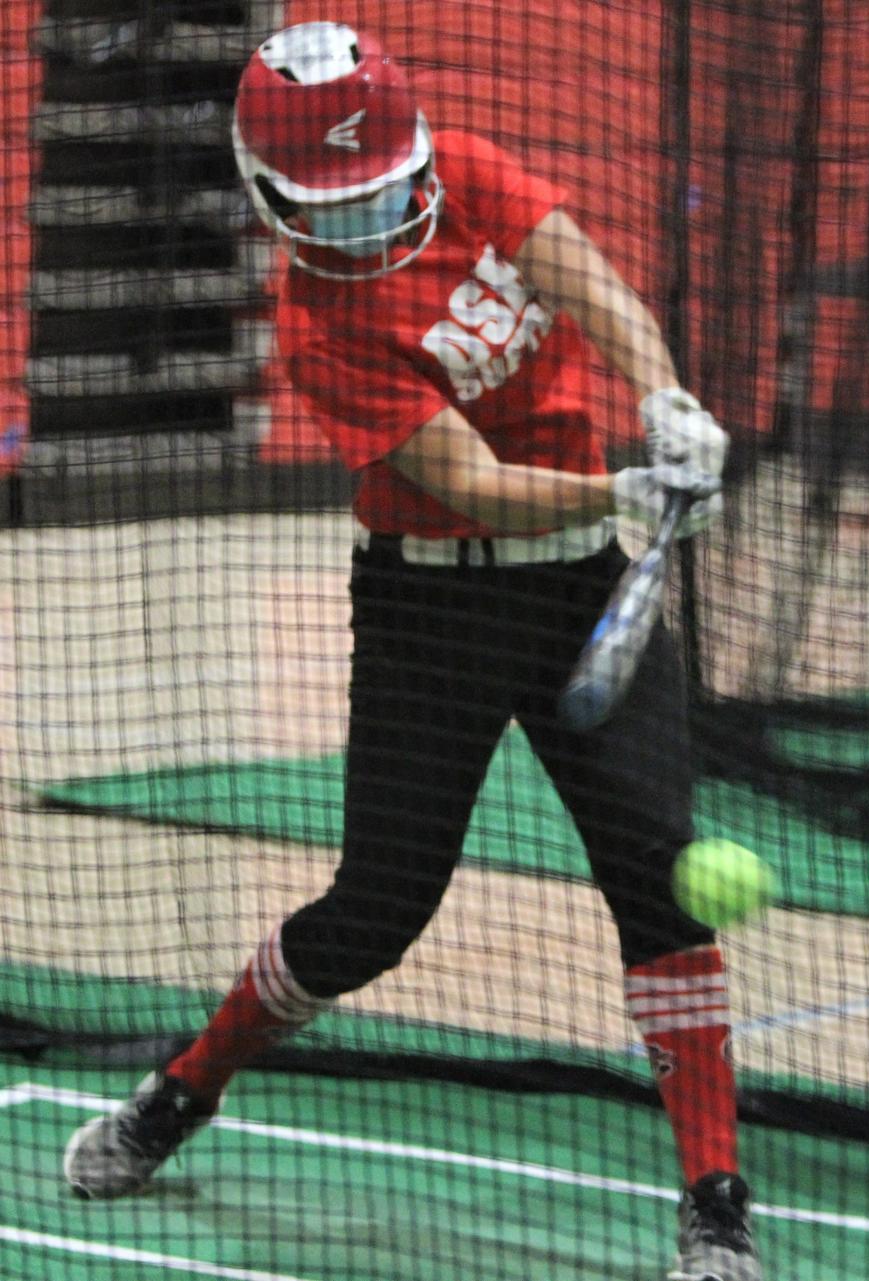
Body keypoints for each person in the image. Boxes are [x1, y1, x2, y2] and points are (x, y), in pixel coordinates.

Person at [63, 21, 762, 1281]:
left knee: (658, 879)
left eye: (382, 195)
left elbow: (594, 286)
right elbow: (477, 486)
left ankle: (716, 1203)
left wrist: (668, 403)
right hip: (429, 610)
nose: (363, 226)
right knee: (376, 911)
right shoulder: (314, 328)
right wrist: (623, 493)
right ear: (270, 196)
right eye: (330, 210)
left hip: (584, 592)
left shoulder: (480, 175)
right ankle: (180, 1090)